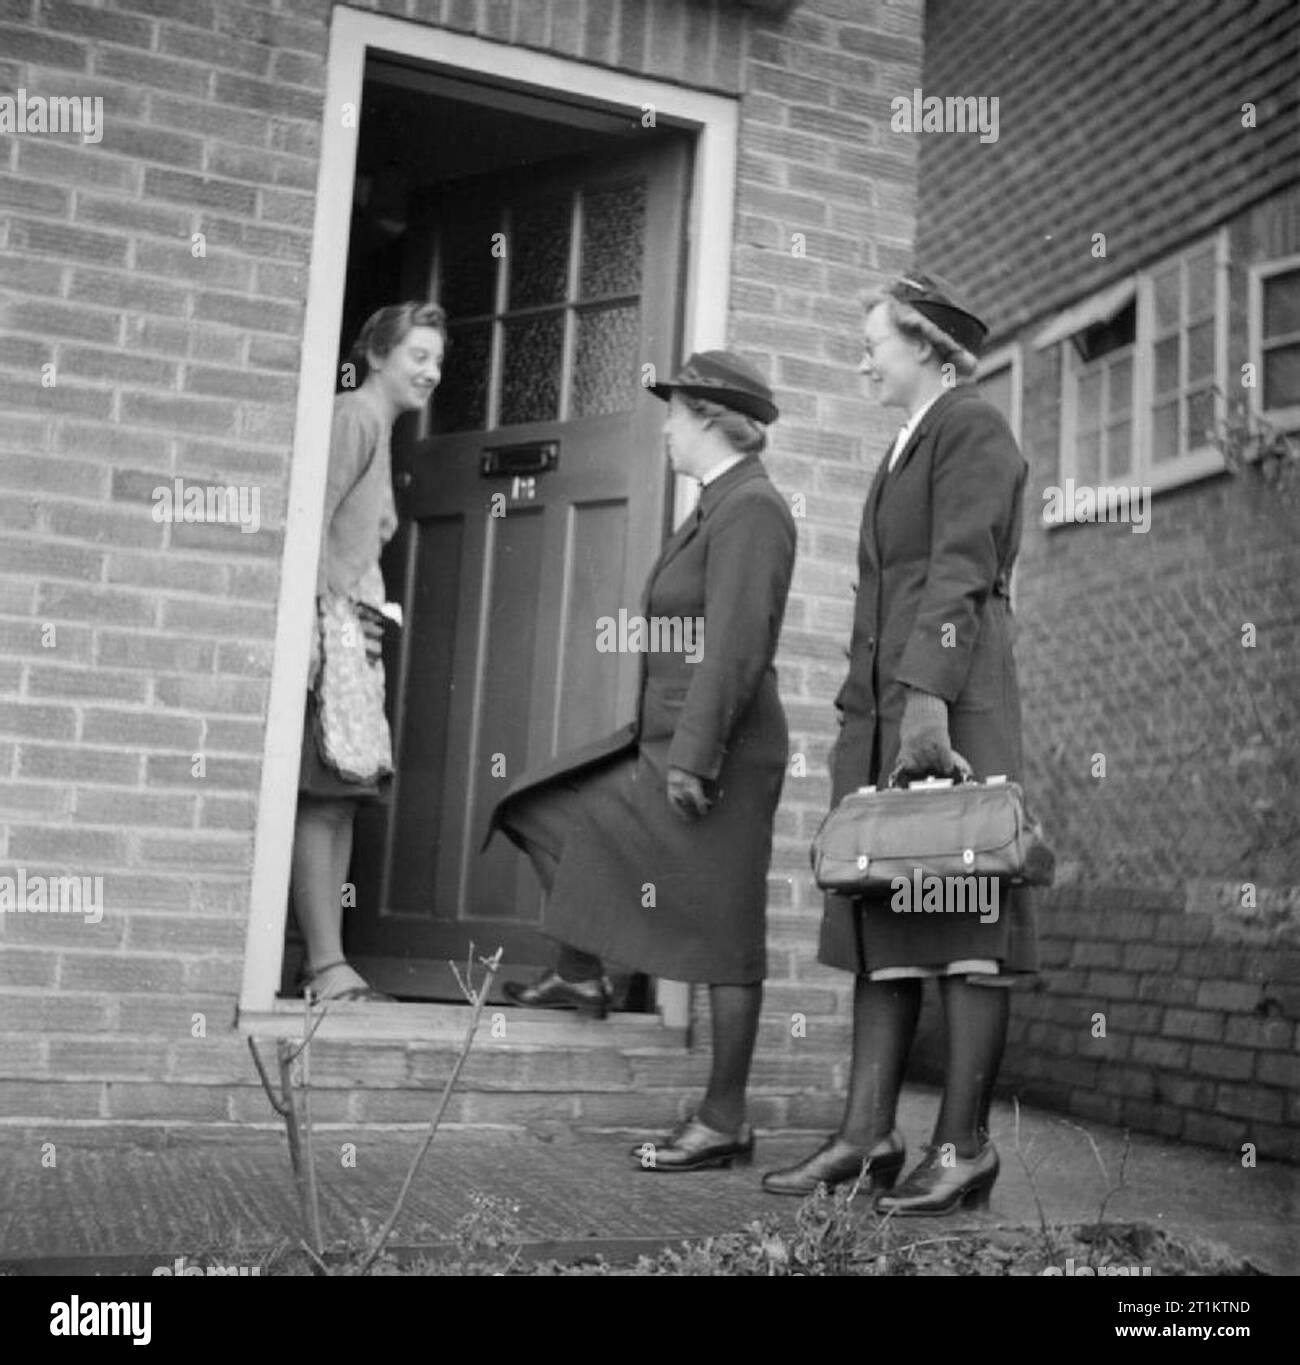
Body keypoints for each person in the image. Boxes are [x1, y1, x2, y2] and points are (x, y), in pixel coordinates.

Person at [762, 274, 1036, 1214]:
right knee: (888, 921)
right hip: (893, 719)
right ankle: (867, 1132)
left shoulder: (973, 426)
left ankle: (963, 1145)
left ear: (923, 343)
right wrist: (866, 715)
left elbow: (961, 571)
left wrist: (925, 707)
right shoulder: (904, 444)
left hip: (951, 713)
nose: (862, 356)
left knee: (964, 926)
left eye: (872, 340)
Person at [487, 351, 797, 1172]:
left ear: (707, 419)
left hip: (720, 751)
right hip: (668, 737)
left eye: (673, 413)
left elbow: (737, 643)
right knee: (538, 807)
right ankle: (582, 971)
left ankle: (723, 1118)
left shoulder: (753, 509)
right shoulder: (715, 507)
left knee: (727, 932)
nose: (663, 428)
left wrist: (695, 756)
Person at [292, 301, 447, 1003]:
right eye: (418, 355)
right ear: (379, 354)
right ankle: (325, 965)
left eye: (437, 359)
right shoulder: (353, 416)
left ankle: (331, 962)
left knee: (346, 798)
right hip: (330, 622)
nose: (432, 371)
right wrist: (314, 633)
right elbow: (310, 522)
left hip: (356, 623)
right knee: (323, 795)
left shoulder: (379, 429)